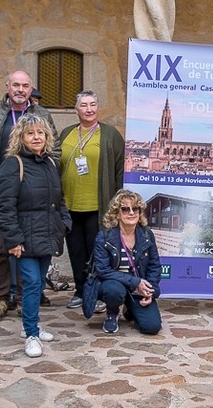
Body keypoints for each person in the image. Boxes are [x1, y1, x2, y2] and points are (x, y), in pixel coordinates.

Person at [0, 70, 59, 324]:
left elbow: (55, 148)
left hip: (31, 189)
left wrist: (47, 176)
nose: (20, 89)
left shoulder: (42, 115)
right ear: (7, 86)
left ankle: (22, 298)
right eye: (16, 85)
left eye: (25, 86)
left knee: (26, 245)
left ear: (31, 90)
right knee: (0, 245)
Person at [0, 115, 71, 357]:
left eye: (41, 133)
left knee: (37, 287)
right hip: (25, 238)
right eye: (31, 133)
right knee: (32, 284)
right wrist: (13, 239)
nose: (37, 137)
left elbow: (58, 199)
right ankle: (30, 334)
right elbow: (5, 207)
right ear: (21, 137)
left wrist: (64, 223)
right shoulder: (12, 165)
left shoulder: (50, 163)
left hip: (47, 234)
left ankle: (32, 324)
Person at [58, 91, 124, 310]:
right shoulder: (67, 133)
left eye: (93, 104)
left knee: (97, 251)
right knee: (76, 250)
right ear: (76, 110)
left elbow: (119, 170)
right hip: (70, 205)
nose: (89, 109)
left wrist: (116, 204)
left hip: (98, 206)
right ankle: (79, 290)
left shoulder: (110, 135)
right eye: (84, 105)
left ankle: (97, 292)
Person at [92, 190, 163, 335]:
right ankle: (112, 312)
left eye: (135, 208)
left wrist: (150, 291)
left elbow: (154, 266)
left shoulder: (147, 234)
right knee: (114, 290)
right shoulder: (104, 236)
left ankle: (130, 308)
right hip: (113, 284)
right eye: (125, 209)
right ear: (116, 214)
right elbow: (103, 270)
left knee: (152, 327)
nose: (131, 213)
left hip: (137, 288)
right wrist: (135, 281)